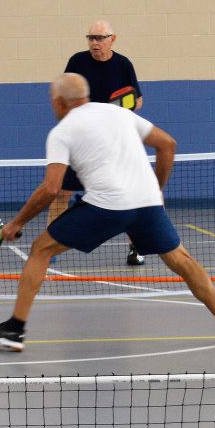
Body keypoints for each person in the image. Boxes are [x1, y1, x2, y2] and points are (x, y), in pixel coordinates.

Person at [0, 73, 215, 352]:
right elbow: (167, 144)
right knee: (181, 260)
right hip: (147, 203)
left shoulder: (62, 131)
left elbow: (52, 188)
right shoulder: (120, 114)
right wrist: (157, 189)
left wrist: (16, 223)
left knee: (40, 249)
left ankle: (15, 329)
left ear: (60, 102)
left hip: (108, 205)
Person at [49, 20, 146, 265]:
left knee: (129, 195)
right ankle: (49, 246)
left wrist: (118, 113)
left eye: (100, 38)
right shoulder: (77, 62)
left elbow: (137, 101)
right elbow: (63, 95)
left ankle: (136, 249)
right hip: (82, 140)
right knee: (61, 192)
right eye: (90, 38)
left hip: (114, 143)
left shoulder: (123, 65)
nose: (94, 43)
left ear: (112, 39)